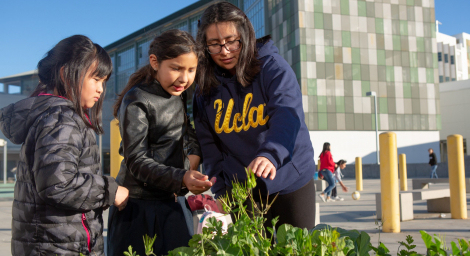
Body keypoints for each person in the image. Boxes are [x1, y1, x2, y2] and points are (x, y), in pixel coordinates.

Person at [0, 35, 129, 255]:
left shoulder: (51, 115)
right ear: (66, 74)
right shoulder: (61, 118)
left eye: (104, 82)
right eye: (95, 79)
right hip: (58, 247)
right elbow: (58, 184)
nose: (100, 89)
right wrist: (111, 190)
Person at [193, 2, 316, 231]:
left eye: (232, 41)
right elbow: (209, 146)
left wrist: (271, 154)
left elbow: (286, 113)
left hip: (290, 178)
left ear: (246, 35)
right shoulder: (203, 90)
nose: (225, 51)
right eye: (214, 45)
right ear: (204, 45)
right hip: (242, 190)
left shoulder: (272, 66)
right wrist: (221, 191)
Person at [107, 29, 214, 256]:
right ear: (154, 62)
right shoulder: (136, 100)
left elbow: (186, 129)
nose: (184, 78)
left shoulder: (178, 93)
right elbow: (136, 160)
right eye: (176, 68)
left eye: (191, 70)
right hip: (136, 206)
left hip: (169, 199)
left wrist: (192, 159)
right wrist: (180, 177)